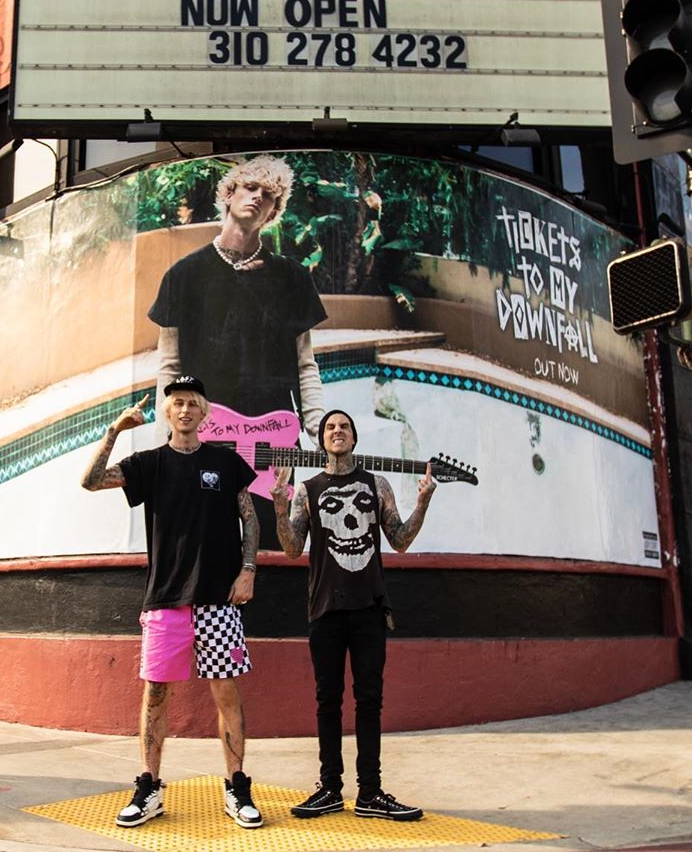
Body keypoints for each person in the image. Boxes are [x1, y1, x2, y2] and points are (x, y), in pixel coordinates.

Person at [80, 375, 264, 830]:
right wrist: (114, 430)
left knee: (226, 692)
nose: (184, 410)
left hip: (219, 599)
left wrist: (248, 570)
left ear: (205, 413)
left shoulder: (224, 462)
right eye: (177, 403)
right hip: (164, 598)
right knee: (155, 694)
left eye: (192, 403)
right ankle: (149, 787)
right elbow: (89, 482)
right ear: (168, 412)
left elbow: (249, 517)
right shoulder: (149, 464)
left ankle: (237, 787)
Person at [272, 409, 436, 822]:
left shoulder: (374, 485)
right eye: (330, 427)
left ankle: (371, 792)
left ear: (354, 438)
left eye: (344, 426)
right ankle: (329, 788)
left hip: (368, 610)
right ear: (322, 440)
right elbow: (292, 548)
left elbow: (399, 539)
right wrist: (278, 505)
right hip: (324, 609)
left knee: (370, 701)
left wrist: (423, 502)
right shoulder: (308, 490)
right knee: (327, 701)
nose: (337, 432)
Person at [148, 154, 327, 448]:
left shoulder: (292, 277)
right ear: (229, 195)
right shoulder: (182, 275)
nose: (258, 197)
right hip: (204, 439)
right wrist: (161, 446)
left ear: (273, 213)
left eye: (269, 195)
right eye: (251, 187)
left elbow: (305, 365)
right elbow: (169, 367)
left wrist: (320, 437)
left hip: (273, 443)